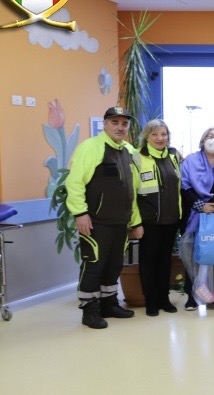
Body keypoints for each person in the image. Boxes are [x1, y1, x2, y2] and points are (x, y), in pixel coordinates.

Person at [66, 106, 143, 329]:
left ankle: (109, 304)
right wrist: (80, 213)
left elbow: (133, 190)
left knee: (114, 265)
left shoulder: (130, 150)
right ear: (105, 124)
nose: (120, 127)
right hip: (96, 222)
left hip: (121, 222)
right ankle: (89, 310)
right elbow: (74, 182)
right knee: (94, 265)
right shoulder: (90, 148)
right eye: (115, 122)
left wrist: (135, 221)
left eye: (124, 123)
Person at [179, 127, 214, 309]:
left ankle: (213, 296)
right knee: (194, 256)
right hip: (195, 216)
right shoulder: (190, 161)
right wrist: (200, 206)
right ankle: (191, 296)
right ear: (203, 139)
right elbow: (185, 187)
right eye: (211, 136)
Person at [135, 119, 182, 317]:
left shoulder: (174, 156)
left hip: (171, 220)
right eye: (155, 134)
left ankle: (164, 298)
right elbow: (132, 195)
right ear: (146, 137)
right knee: (148, 262)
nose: (160, 138)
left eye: (163, 134)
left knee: (165, 261)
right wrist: (135, 222)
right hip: (149, 222)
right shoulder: (137, 158)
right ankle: (151, 301)